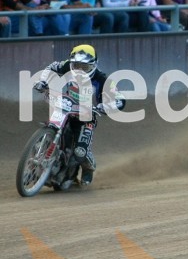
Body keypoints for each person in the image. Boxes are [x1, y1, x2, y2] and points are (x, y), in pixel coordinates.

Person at [33, 44, 126, 186]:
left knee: (80, 151)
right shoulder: (66, 65)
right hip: (65, 108)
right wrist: (43, 82)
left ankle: (88, 169)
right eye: (76, 66)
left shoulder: (103, 80)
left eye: (85, 68)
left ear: (94, 65)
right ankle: (41, 154)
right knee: (49, 127)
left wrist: (104, 107)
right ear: (71, 63)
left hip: (86, 118)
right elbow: (51, 67)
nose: (80, 70)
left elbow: (120, 100)